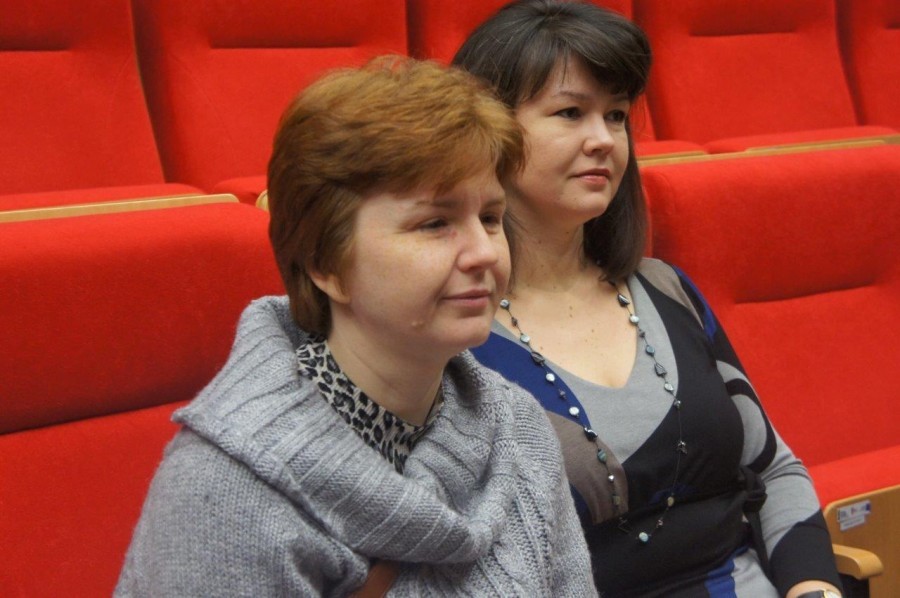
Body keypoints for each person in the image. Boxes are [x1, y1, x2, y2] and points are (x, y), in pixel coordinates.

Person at [115, 57, 597, 596]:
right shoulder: (226, 491)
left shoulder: (516, 423)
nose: (484, 251)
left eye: (489, 217)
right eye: (434, 223)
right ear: (326, 264)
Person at [453, 1, 844, 597]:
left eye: (615, 116)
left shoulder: (665, 287)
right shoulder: (453, 332)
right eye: (570, 113)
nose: (603, 140)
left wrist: (814, 588)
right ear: (490, 131)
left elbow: (773, 469)